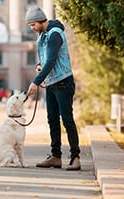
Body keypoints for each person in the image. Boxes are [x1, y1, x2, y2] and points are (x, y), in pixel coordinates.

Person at [25, 6, 81, 170]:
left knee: (67, 119)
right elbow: (45, 60)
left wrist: (35, 82)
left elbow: (51, 60)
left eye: (33, 24)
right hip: (51, 83)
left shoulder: (55, 34)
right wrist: (39, 66)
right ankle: (56, 156)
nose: (32, 28)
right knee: (52, 120)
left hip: (63, 82)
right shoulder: (42, 35)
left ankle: (75, 157)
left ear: (40, 21)